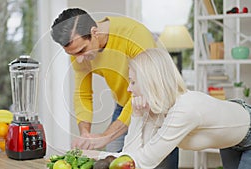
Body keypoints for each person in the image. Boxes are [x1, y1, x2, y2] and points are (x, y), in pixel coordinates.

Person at [51, 8, 179, 168]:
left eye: (82, 50)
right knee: (112, 162)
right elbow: (82, 93)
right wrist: (85, 133)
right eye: (73, 54)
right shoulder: (78, 52)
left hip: (158, 105)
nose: (79, 60)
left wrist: (105, 136)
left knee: (155, 163)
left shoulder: (134, 36)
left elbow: (146, 91)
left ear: (94, 32)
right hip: (124, 104)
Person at [83, 48, 251, 169]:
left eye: (133, 82)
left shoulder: (184, 109)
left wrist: (94, 155)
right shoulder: (156, 110)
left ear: (150, 81)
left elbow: (145, 161)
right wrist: (136, 115)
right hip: (230, 141)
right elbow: (132, 156)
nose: (129, 89)